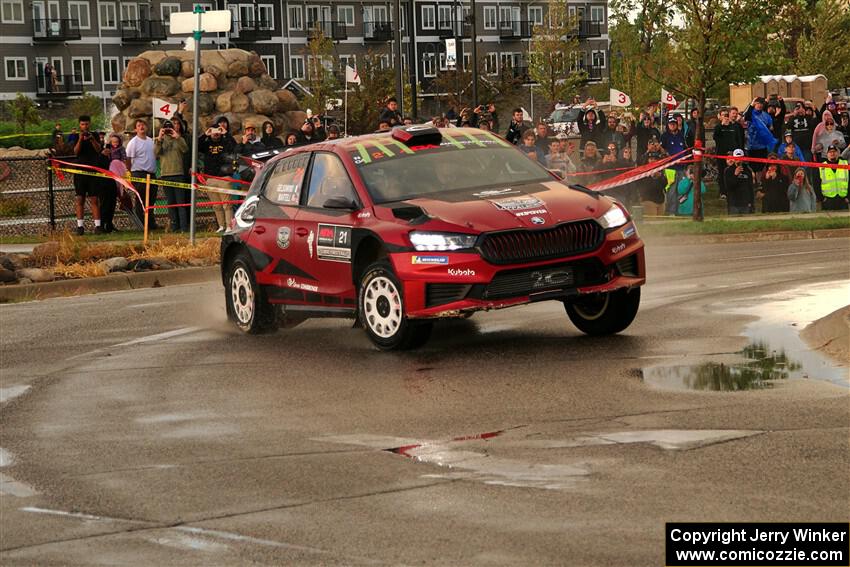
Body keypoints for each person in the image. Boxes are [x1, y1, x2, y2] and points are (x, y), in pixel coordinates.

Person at [198, 121, 237, 232]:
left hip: (224, 178)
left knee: (227, 204)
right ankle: (221, 226)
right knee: (216, 205)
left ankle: (229, 226)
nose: (215, 133)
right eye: (213, 131)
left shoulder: (225, 142)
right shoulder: (206, 144)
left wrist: (226, 133)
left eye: (217, 131)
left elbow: (235, 146)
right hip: (210, 178)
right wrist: (205, 134)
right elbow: (195, 146)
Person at [155, 119, 190, 232]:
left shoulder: (179, 139)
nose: (168, 130)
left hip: (178, 174)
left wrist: (177, 136)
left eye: (170, 128)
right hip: (165, 175)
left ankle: (184, 228)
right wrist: (160, 138)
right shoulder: (159, 140)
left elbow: (185, 149)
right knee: (171, 204)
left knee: (181, 203)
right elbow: (155, 153)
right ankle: (175, 227)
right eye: (166, 128)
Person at [71, 115, 103, 235]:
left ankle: (98, 226)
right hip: (80, 171)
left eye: (87, 124)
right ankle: (80, 227)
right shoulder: (75, 136)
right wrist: (80, 139)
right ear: (80, 125)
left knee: (94, 199)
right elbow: (75, 152)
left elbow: (98, 149)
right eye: (83, 124)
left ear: (90, 124)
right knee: (80, 198)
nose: (85, 126)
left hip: (92, 171)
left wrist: (92, 139)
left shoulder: (94, 135)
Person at [125, 119, 159, 230]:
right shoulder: (133, 143)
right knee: (141, 200)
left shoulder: (151, 141)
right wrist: (129, 174)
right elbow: (128, 159)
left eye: (143, 124)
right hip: (139, 173)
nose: (141, 127)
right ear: (136, 129)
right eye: (139, 125)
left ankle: (151, 223)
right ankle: (141, 225)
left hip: (152, 174)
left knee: (151, 200)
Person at [713, 108, 744, 197]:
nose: (726, 117)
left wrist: (739, 152)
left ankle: (733, 190)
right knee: (722, 172)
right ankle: (723, 191)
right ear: (720, 117)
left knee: (733, 171)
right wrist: (721, 126)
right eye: (724, 115)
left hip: (732, 154)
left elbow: (738, 140)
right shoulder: (718, 127)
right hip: (721, 154)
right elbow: (715, 138)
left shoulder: (734, 127)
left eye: (727, 115)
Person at [99, 133, 126, 233]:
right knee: (105, 204)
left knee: (112, 203)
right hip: (104, 181)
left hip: (114, 181)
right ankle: (102, 224)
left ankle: (109, 224)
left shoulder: (117, 151)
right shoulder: (101, 151)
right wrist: (103, 155)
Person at [744, 97, 777, 174]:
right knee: (752, 166)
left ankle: (761, 182)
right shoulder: (751, 113)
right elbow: (746, 117)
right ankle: (754, 182)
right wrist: (751, 104)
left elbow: (771, 128)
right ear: (754, 104)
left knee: (762, 166)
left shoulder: (766, 115)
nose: (759, 105)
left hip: (762, 146)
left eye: (761, 103)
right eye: (757, 103)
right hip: (752, 145)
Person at [724, 149, 755, 214]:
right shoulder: (728, 171)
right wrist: (735, 175)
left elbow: (750, 188)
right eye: (736, 158)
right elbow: (728, 187)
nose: (738, 159)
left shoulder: (747, 170)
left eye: (740, 157)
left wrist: (751, 203)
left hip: (746, 203)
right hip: (734, 204)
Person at [819, 145, 849, 210]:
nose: (832, 153)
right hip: (828, 199)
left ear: (838, 153)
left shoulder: (845, 164)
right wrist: (821, 198)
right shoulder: (821, 166)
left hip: (843, 199)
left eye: (834, 152)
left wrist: (848, 197)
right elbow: (817, 183)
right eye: (830, 152)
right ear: (827, 154)